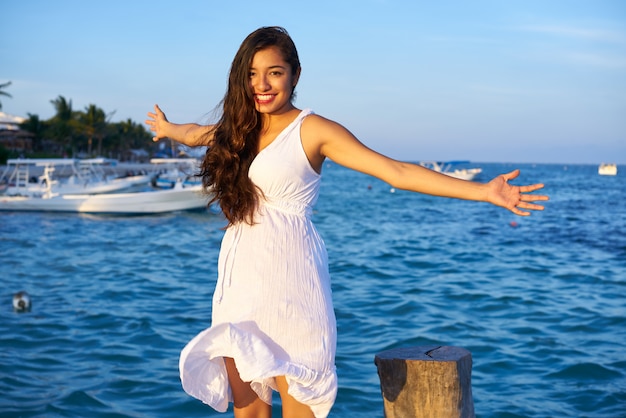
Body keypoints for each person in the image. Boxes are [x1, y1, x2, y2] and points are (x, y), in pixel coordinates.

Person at [145, 26, 548, 418]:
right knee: (248, 412)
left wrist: (483, 192)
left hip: (291, 281)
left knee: (298, 399)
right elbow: (196, 134)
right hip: (240, 280)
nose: (262, 85)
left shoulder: (313, 130)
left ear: (295, 75)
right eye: (251, 74)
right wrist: (166, 129)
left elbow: (395, 172)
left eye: (274, 72)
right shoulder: (237, 130)